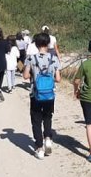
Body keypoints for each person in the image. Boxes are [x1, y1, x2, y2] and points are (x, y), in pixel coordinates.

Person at [23, 32, 62, 160]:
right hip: (49, 94)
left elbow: (26, 76)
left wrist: (35, 75)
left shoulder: (31, 58)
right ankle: (48, 138)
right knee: (47, 117)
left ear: (36, 44)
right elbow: (58, 79)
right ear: (48, 43)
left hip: (35, 93)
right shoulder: (54, 58)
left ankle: (39, 148)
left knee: (36, 120)